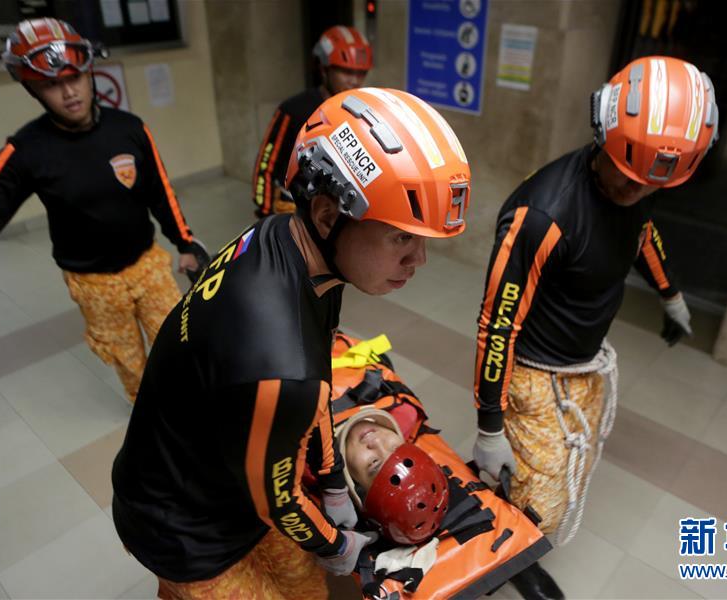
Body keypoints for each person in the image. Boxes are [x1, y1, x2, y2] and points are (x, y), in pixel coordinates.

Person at [111, 87, 471, 598]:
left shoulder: (286, 240)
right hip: (182, 526)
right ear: (326, 214)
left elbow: (316, 377)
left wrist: (332, 481)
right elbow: (276, 499)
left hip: (219, 468)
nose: (419, 261)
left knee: (305, 590)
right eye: (402, 238)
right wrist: (336, 543)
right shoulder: (281, 359)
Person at [472, 56, 718, 597]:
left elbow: (641, 235)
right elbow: (497, 325)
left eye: (647, 184)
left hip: (583, 361)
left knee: (568, 472)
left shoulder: (638, 189)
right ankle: (503, 562)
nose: (633, 190)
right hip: (533, 371)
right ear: (602, 132)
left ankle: (506, 524)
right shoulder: (543, 215)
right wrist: (489, 425)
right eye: (626, 174)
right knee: (542, 492)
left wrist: (671, 295)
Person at [0, 18, 208, 403]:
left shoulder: (130, 129)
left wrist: (185, 242)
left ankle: (192, 410)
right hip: (93, 284)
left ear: (88, 71)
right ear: (32, 89)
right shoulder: (26, 151)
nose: (68, 92)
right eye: (51, 85)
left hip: (149, 266)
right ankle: (152, 417)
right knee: (130, 364)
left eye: (74, 77)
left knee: (179, 346)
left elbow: (160, 191)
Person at [251, 25, 372, 217]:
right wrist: (265, 213)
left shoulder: (359, 112)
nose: (355, 81)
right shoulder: (293, 109)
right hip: (292, 211)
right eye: (346, 72)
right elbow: (266, 165)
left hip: (333, 216)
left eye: (361, 73)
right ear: (324, 69)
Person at [338, 408, 449, 546]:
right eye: (395, 449)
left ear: (356, 487)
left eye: (374, 463)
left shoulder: (313, 453)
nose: (376, 441)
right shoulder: (405, 412)